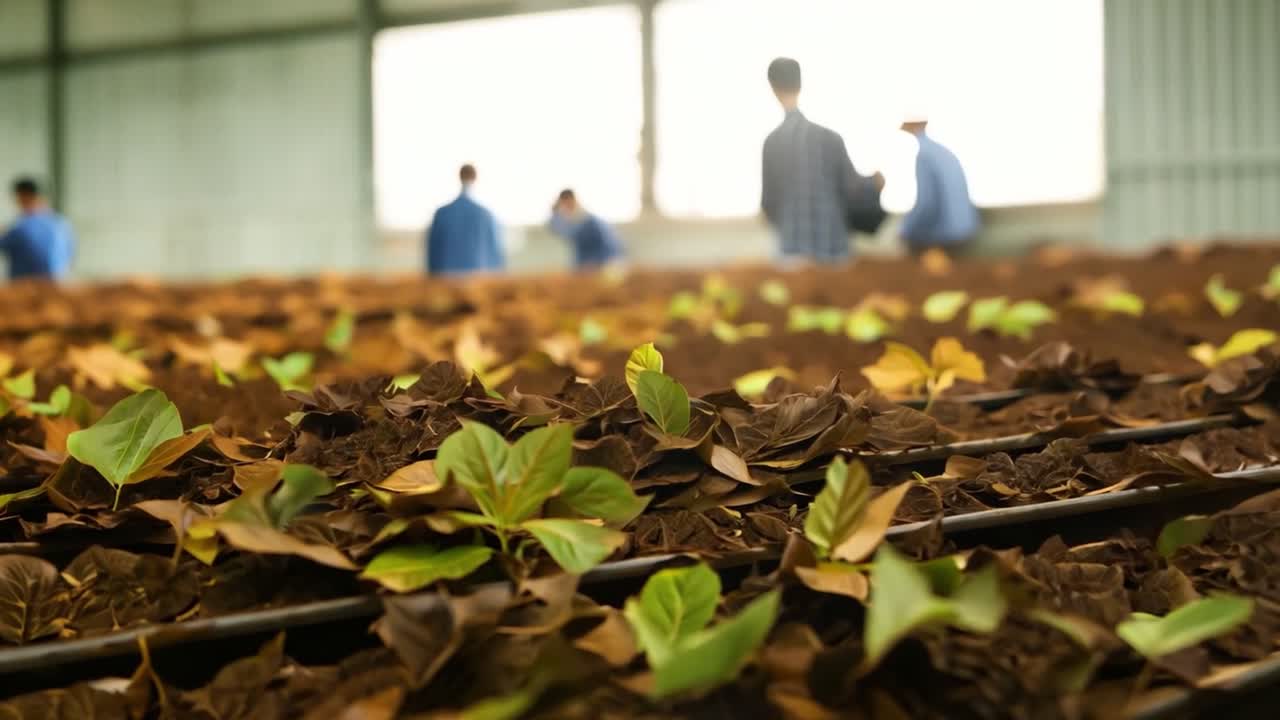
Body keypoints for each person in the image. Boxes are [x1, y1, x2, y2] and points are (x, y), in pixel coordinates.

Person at [761, 57, 882, 264]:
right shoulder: (830, 138)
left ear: (773, 87)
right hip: (834, 251)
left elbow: (768, 204)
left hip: (791, 256)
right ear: (800, 84)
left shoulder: (772, 143)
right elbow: (853, 189)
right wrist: (874, 182)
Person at [898, 116, 980, 255]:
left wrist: (904, 230)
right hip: (967, 229)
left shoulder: (924, 155)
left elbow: (926, 204)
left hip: (946, 238)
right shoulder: (942, 151)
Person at [425, 164, 504, 275]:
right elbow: (496, 257)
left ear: (459, 177)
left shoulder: (442, 214)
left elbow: (432, 257)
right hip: (478, 284)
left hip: (446, 283)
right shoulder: (486, 215)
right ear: (475, 178)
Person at [1, 177, 75, 281]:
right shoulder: (62, 224)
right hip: (58, 286)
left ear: (23, 196)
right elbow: (70, 256)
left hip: (26, 289)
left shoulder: (21, 228)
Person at [548, 189, 624, 269]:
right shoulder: (575, 221)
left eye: (567, 204)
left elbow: (609, 246)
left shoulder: (588, 221)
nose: (566, 209)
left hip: (604, 263)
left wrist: (555, 213)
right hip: (591, 262)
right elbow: (560, 231)